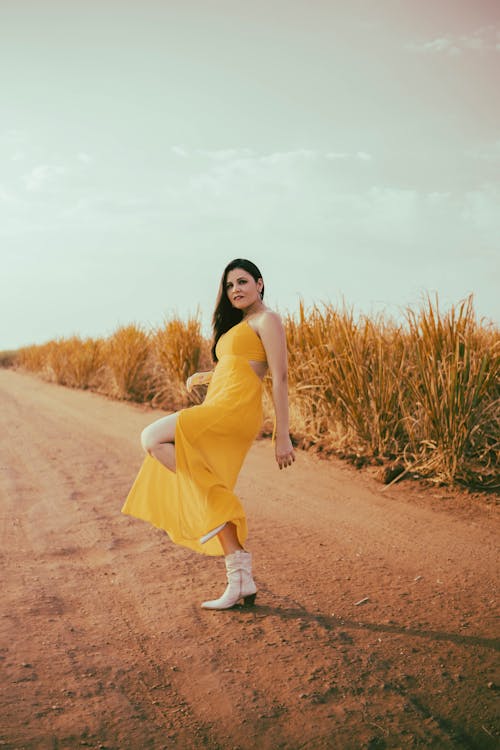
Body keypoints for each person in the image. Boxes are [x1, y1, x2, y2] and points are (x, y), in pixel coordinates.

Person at [122, 258, 295, 609]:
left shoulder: (268, 320)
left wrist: (283, 435)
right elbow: (237, 367)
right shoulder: (241, 324)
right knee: (184, 463)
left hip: (234, 411)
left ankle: (222, 506)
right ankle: (240, 575)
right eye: (230, 285)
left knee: (152, 438)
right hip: (221, 403)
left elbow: (278, 376)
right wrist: (204, 377)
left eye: (243, 282)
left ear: (260, 284)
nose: (236, 290)